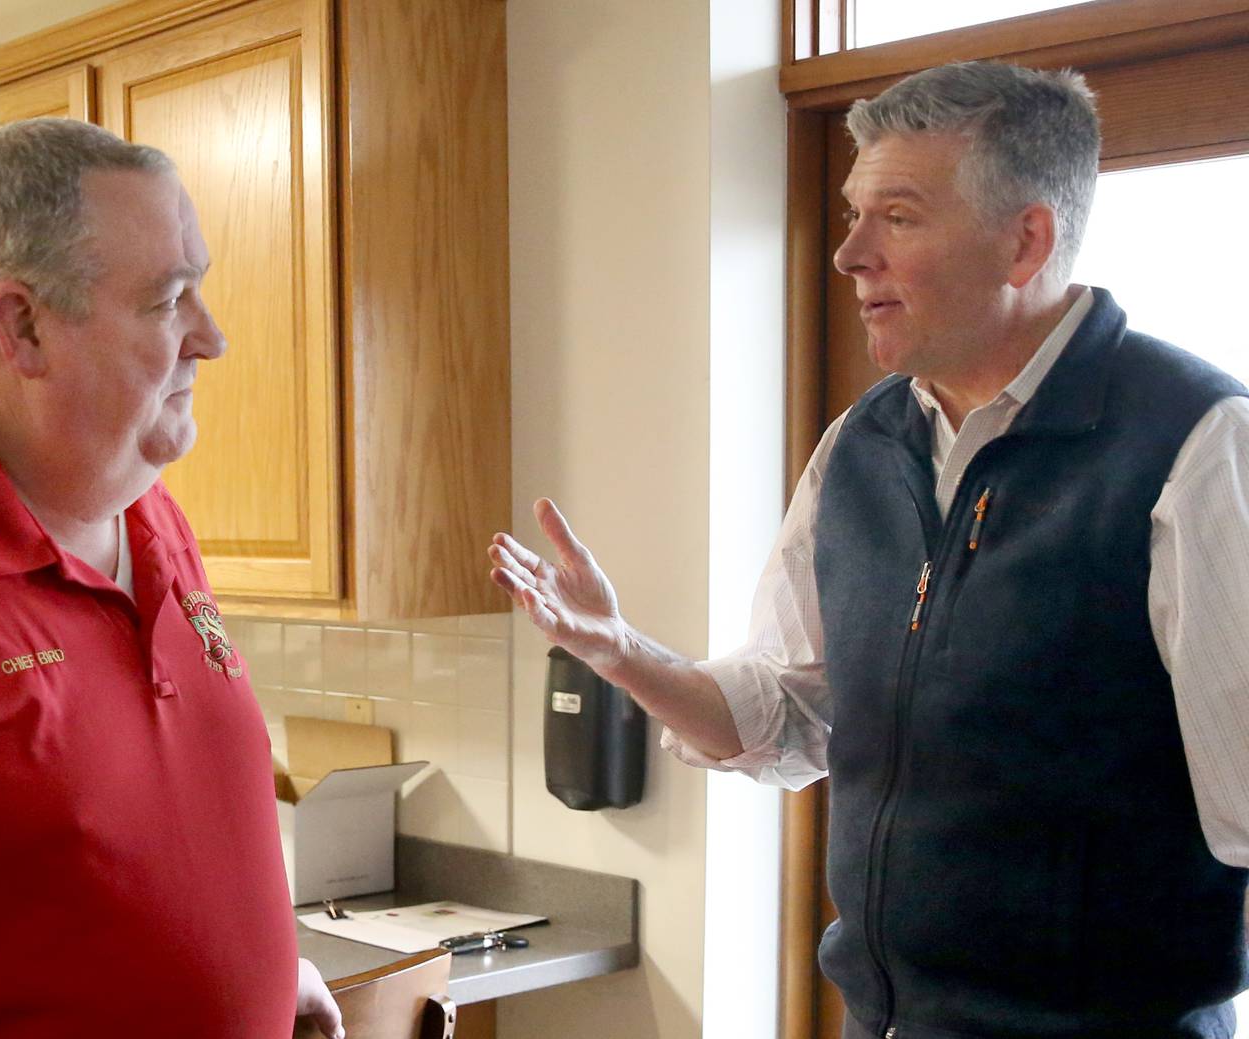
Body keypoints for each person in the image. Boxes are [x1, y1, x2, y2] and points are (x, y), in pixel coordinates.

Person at [490, 61, 1249, 1038]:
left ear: (1026, 241)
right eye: (853, 212)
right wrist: (620, 651)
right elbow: (789, 716)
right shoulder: (864, 442)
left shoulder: (1197, 445)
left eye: (898, 216)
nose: (850, 253)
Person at [0, 118, 342, 1038]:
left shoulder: (144, 505)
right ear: (22, 326)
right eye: (168, 300)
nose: (210, 338)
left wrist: (258, 967)